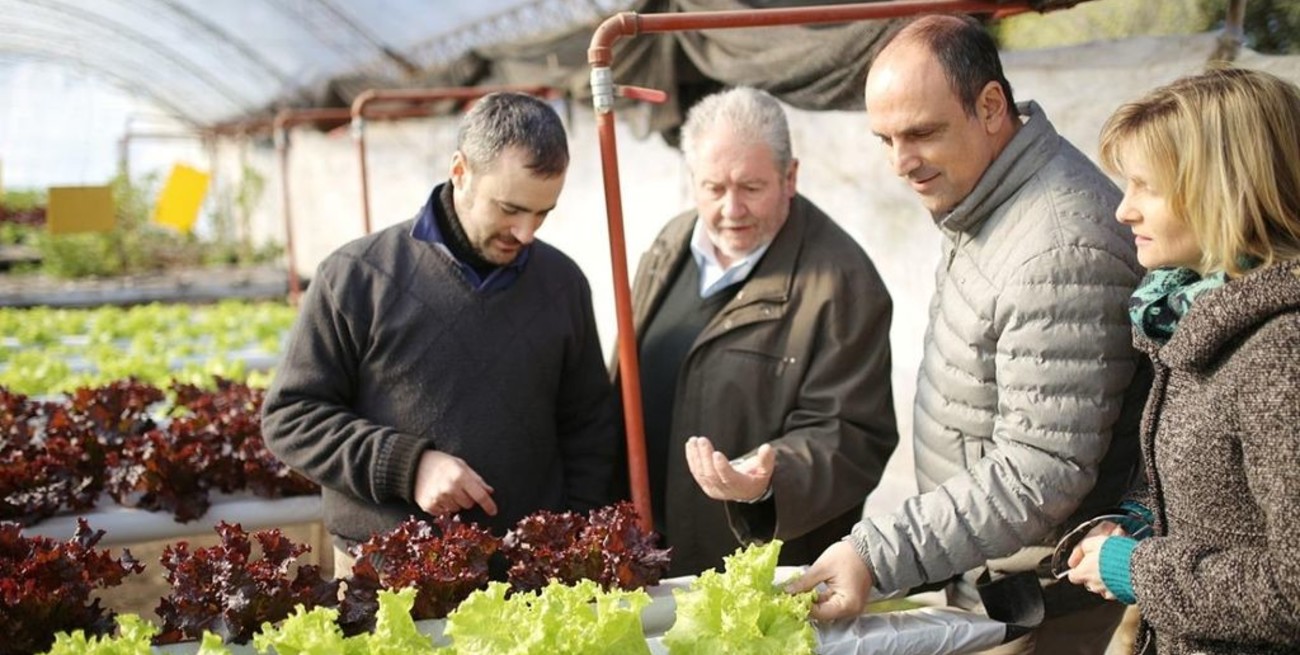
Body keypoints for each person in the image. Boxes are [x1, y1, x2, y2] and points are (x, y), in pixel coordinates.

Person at [788, 15, 1150, 654]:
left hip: (1039, 598)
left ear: (990, 106)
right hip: (991, 569)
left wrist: (878, 551)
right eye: (885, 139)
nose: (902, 162)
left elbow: (1042, 469)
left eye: (922, 133)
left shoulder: (1058, 246)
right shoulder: (989, 196)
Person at [261, 92, 618, 576]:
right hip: (386, 573)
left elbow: (589, 428)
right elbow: (291, 417)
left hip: (525, 575)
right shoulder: (356, 276)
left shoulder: (563, 284)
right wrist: (408, 466)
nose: (526, 232)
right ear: (460, 171)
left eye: (543, 213)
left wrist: (568, 539)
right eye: (510, 208)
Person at [1064, 67, 1300, 655]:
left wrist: (1136, 568)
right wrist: (1140, 522)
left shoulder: (1281, 352)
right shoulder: (1196, 313)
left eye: (1147, 186)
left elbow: (1294, 589)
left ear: (1225, 187)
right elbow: (1226, 504)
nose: (1123, 211)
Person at [619, 86, 898, 577]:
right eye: (713, 188)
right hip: (649, 554)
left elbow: (852, 434)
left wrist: (768, 482)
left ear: (790, 177)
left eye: (751, 187)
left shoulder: (841, 282)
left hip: (755, 571)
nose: (731, 209)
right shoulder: (670, 242)